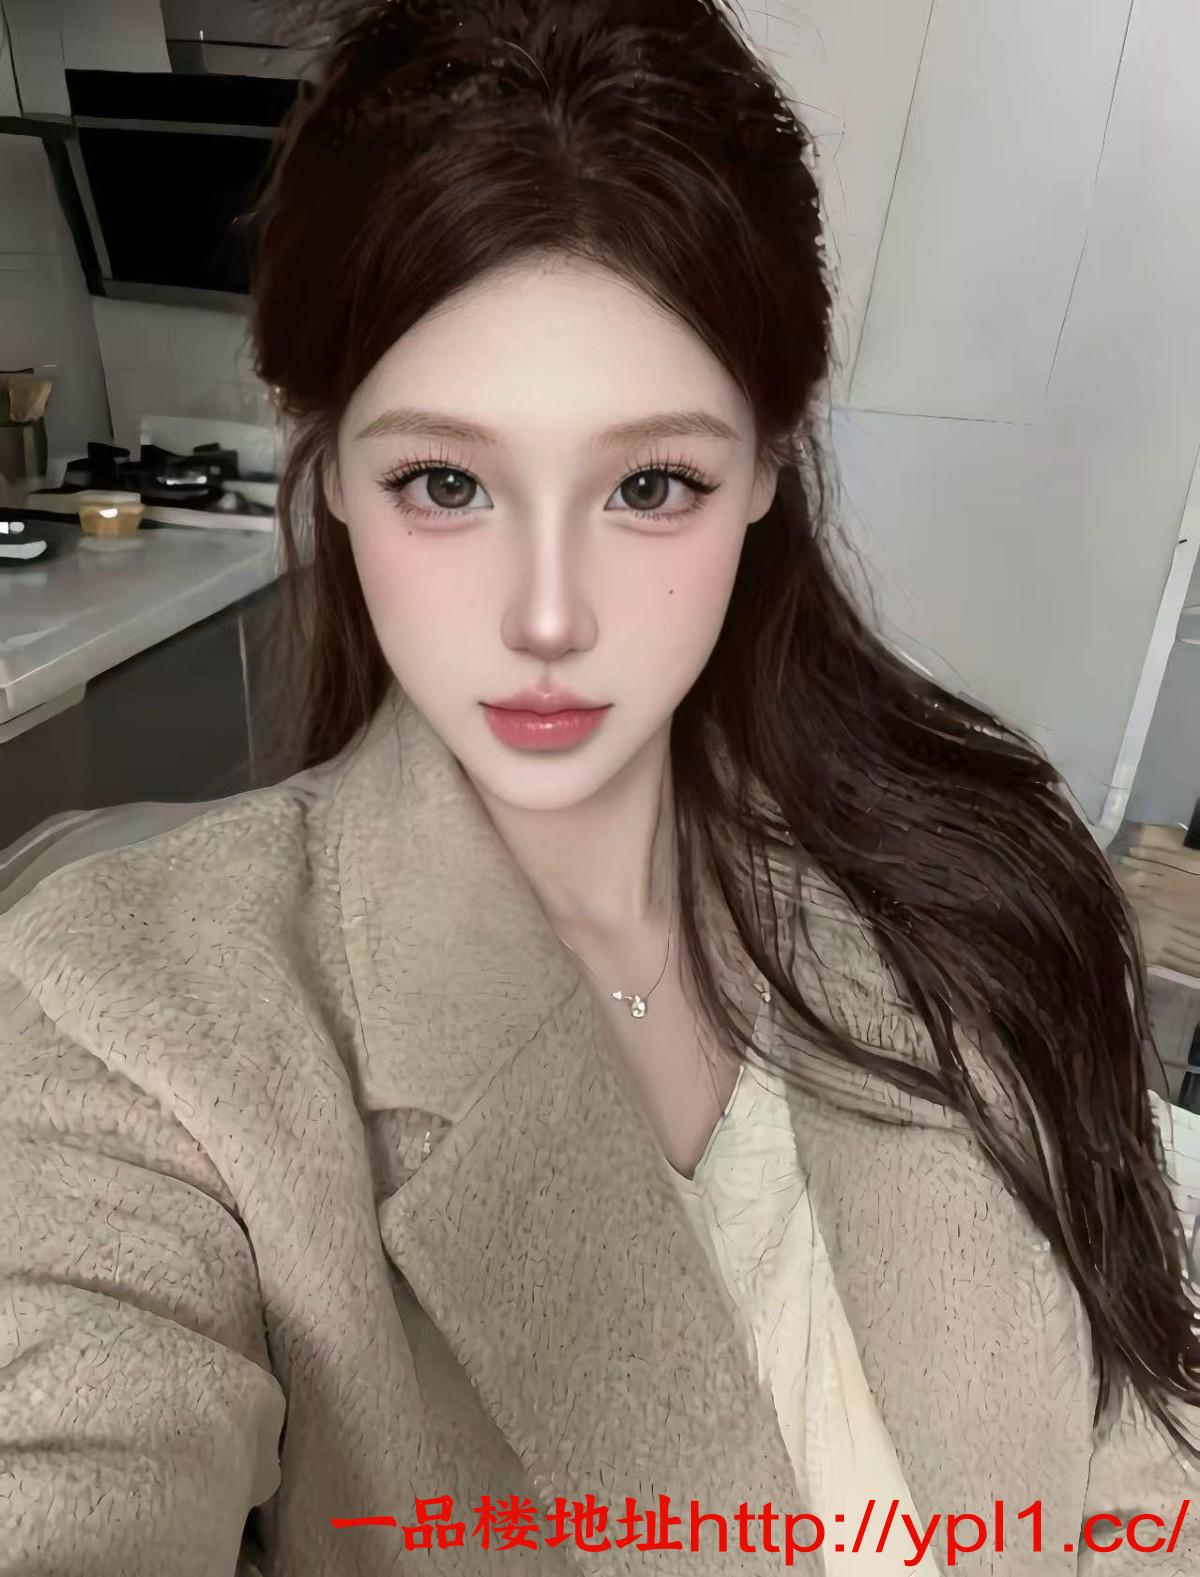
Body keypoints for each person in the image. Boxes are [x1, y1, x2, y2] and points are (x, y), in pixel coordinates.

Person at [2, 1, 1197, 1572]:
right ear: (327, 457)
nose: (549, 617)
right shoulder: (136, 1015)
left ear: (765, 462)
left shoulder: (981, 866)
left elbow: (1139, 1439)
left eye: (649, 483)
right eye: (447, 481)